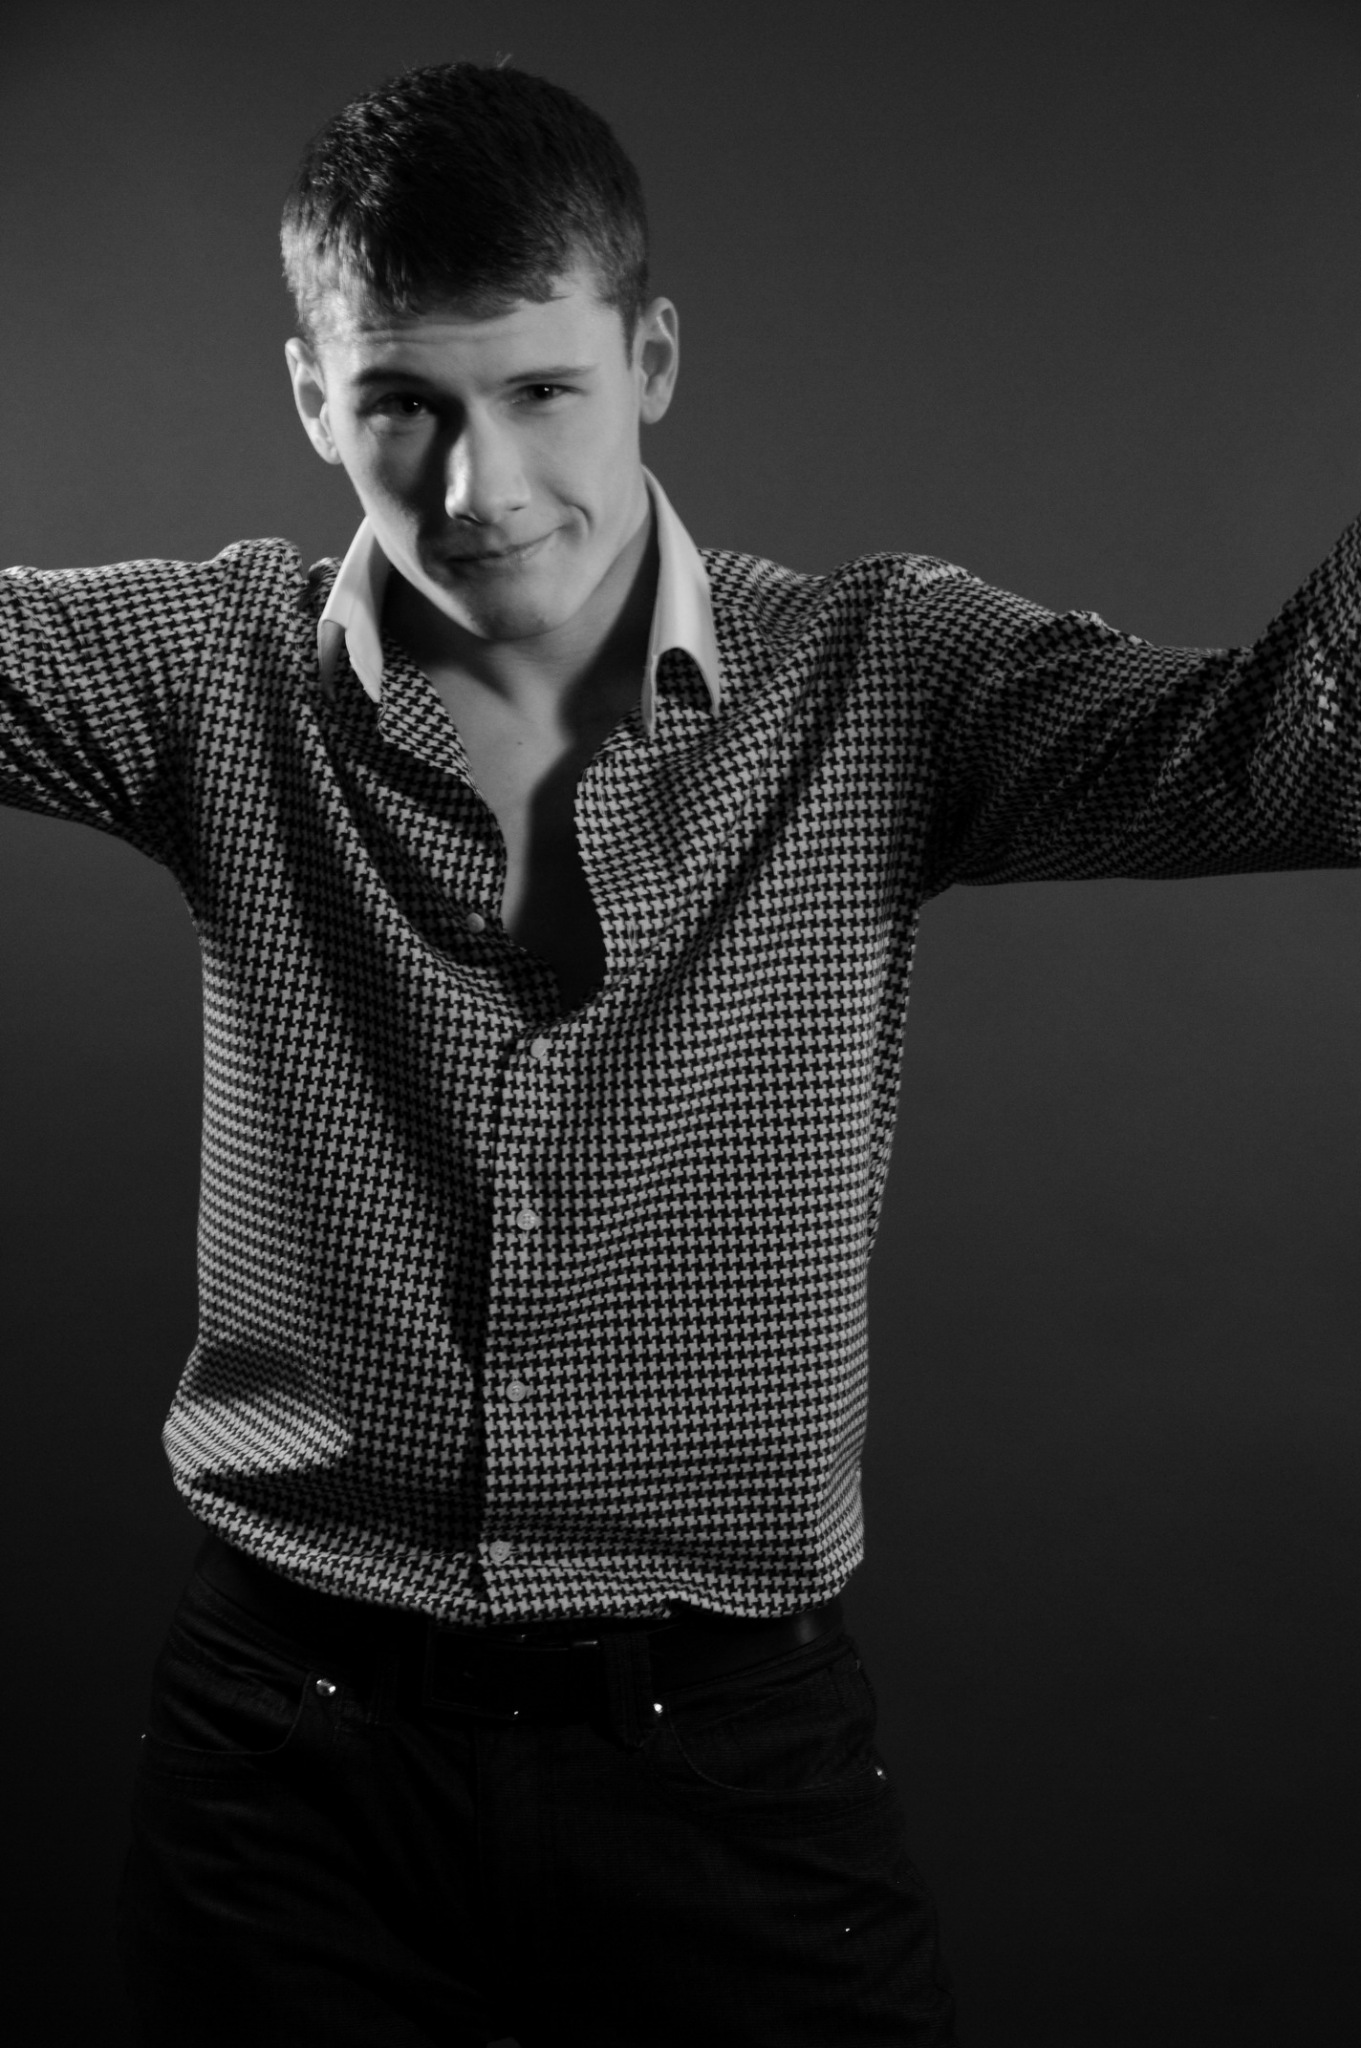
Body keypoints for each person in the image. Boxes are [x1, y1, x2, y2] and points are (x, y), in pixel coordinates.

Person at [1, 55, 1357, 2048]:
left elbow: (1297, 762)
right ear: (307, 396)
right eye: (400, 404)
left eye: (543, 391)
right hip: (285, 1753)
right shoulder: (212, 672)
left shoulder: (879, 674)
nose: (478, 488)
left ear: (648, 360)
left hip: (725, 1755)